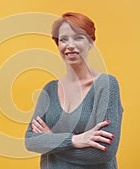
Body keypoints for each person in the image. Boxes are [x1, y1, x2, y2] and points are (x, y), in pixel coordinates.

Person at [25, 12, 124, 169]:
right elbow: (30, 140)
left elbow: (104, 152)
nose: (70, 45)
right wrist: (74, 140)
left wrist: (52, 141)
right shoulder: (49, 90)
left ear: (91, 42)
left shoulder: (106, 85)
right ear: (58, 45)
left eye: (78, 37)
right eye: (64, 39)